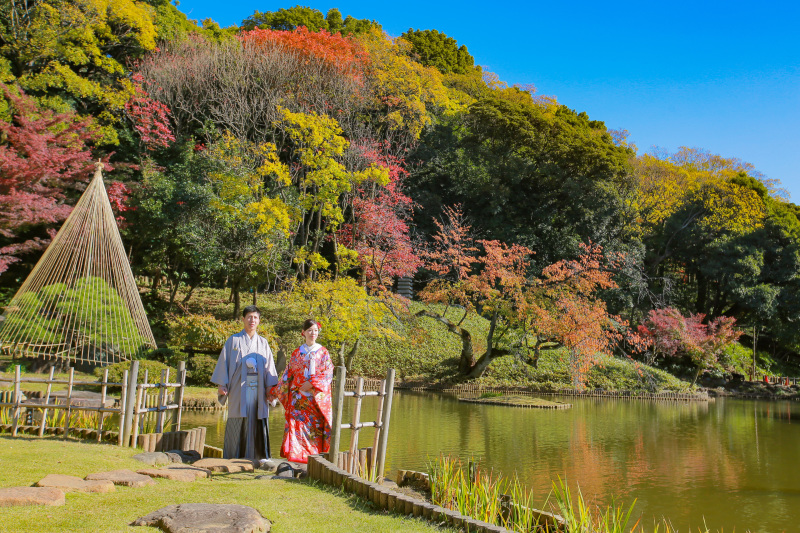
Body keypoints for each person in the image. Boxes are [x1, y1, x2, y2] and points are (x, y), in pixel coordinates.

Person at [211, 305, 278, 461]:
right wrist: (222, 384)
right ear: (243, 319)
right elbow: (224, 363)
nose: (252, 320)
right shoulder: (233, 341)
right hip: (237, 389)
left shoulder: (263, 343)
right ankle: (233, 457)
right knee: (237, 418)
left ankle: (259, 457)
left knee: (257, 419)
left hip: (258, 389)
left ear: (259, 321)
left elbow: (269, 368)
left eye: (255, 317)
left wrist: (270, 389)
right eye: (249, 317)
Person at [272, 319, 333, 464]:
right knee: (296, 426)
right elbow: (288, 374)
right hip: (298, 398)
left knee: (314, 429)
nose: (313, 333)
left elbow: (328, 373)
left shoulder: (323, 352)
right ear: (303, 332)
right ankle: (296, 457)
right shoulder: (296, 353)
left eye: (315, 330)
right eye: (310, 330)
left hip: (314, 398)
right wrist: (276, 391)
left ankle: (313, 458)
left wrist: (312, 383)